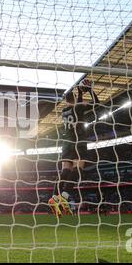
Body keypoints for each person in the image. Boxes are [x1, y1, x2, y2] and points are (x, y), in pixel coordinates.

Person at [49, 79, 99, 217]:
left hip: (67, 142)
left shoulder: (64, 111)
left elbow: (77, 106)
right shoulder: (78, 107)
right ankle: (64, 196)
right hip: (79, 140)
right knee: (79, 168)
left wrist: (79, 93)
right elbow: (97, 103)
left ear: (66, 99)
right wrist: (90, 90)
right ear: (75, 98)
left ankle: (54, 197)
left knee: (66, 170)